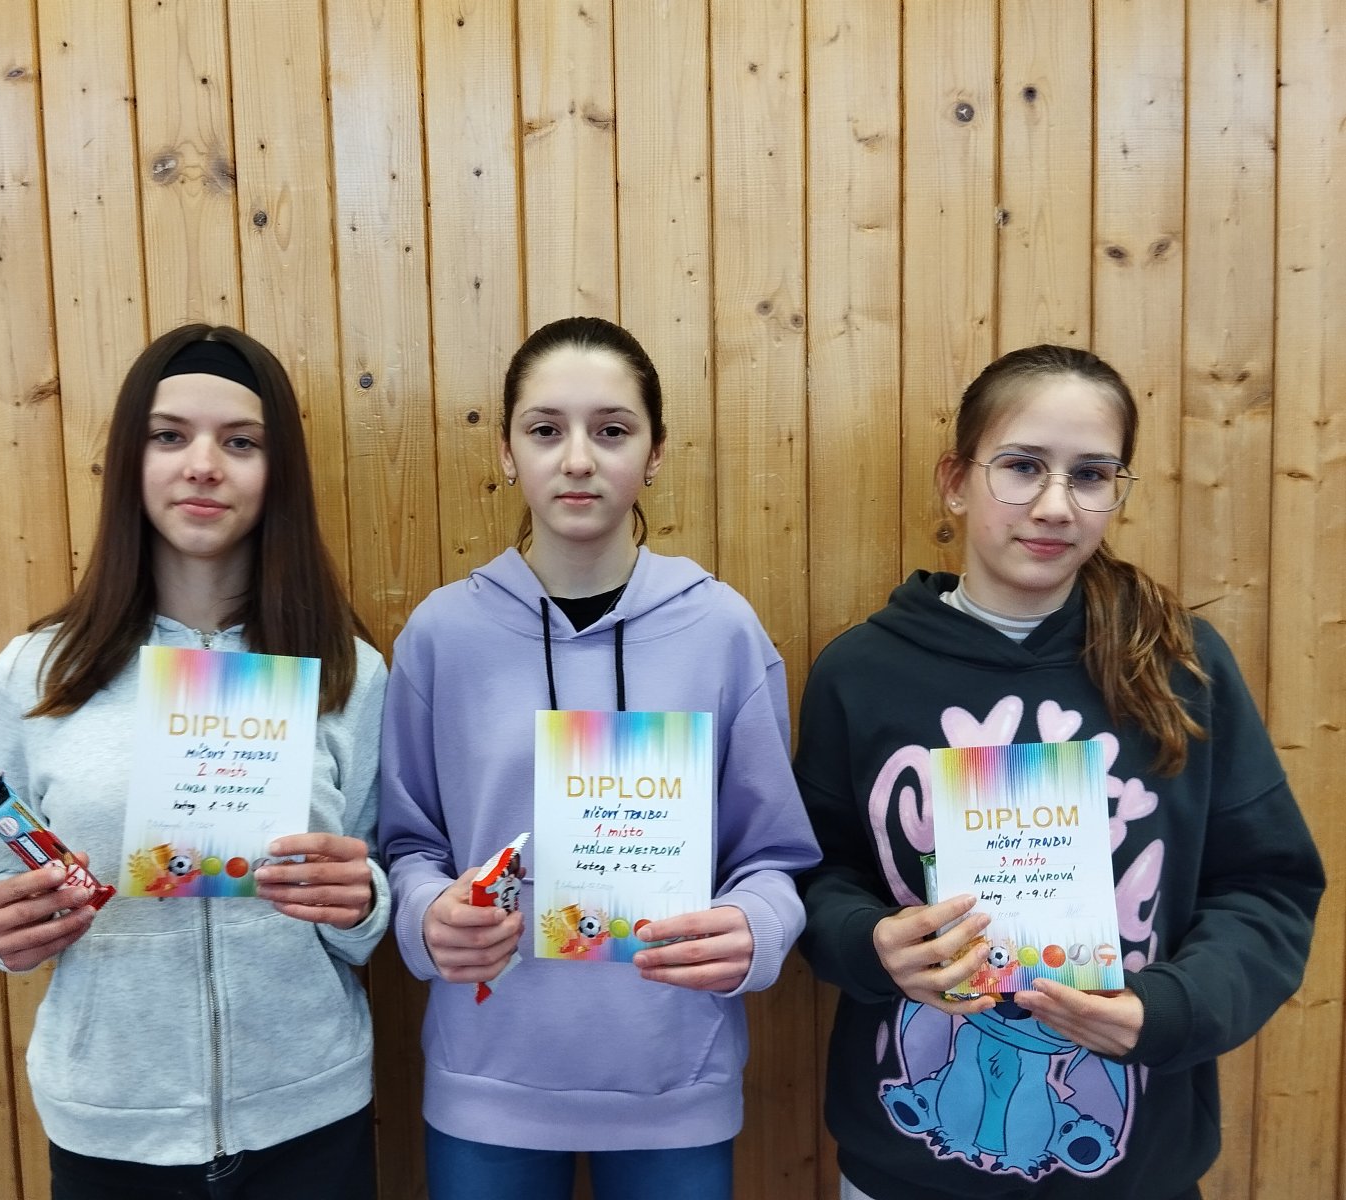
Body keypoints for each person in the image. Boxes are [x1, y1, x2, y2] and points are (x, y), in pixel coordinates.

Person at [794, 344, 1324, 1200]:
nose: (1052, 504)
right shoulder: (860, 673)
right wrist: (866, 941)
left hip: (1134, 1171)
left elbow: (1266, 887)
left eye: (1089, 475)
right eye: (1020, 466)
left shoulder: (1181, 667)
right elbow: (815, 872)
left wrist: (1172, 1007)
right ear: (956, 481)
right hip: (904, 1170)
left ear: (1117, 491)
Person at [378, 315, 821, 1200]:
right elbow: (407, 842)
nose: (577, 459)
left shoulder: (721, 628)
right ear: (507, 453)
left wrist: (757, 929)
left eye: (611, 430)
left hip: (674, 1081)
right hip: (487, 1078)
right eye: (546, 430)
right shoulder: (441, 634)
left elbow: (772, 855)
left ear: (653, 454)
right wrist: (426, 916)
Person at [0, 324, 388, 1199]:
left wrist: (363, 903)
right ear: (132, 459)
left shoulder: (348, 673)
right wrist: (6, 932)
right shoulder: (33, 674)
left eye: (240, 442)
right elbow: (0, 880)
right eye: (169, 436)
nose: (203, 466)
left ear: (277, 472)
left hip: (309, 1112)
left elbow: (370, 897)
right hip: (110, 1121)